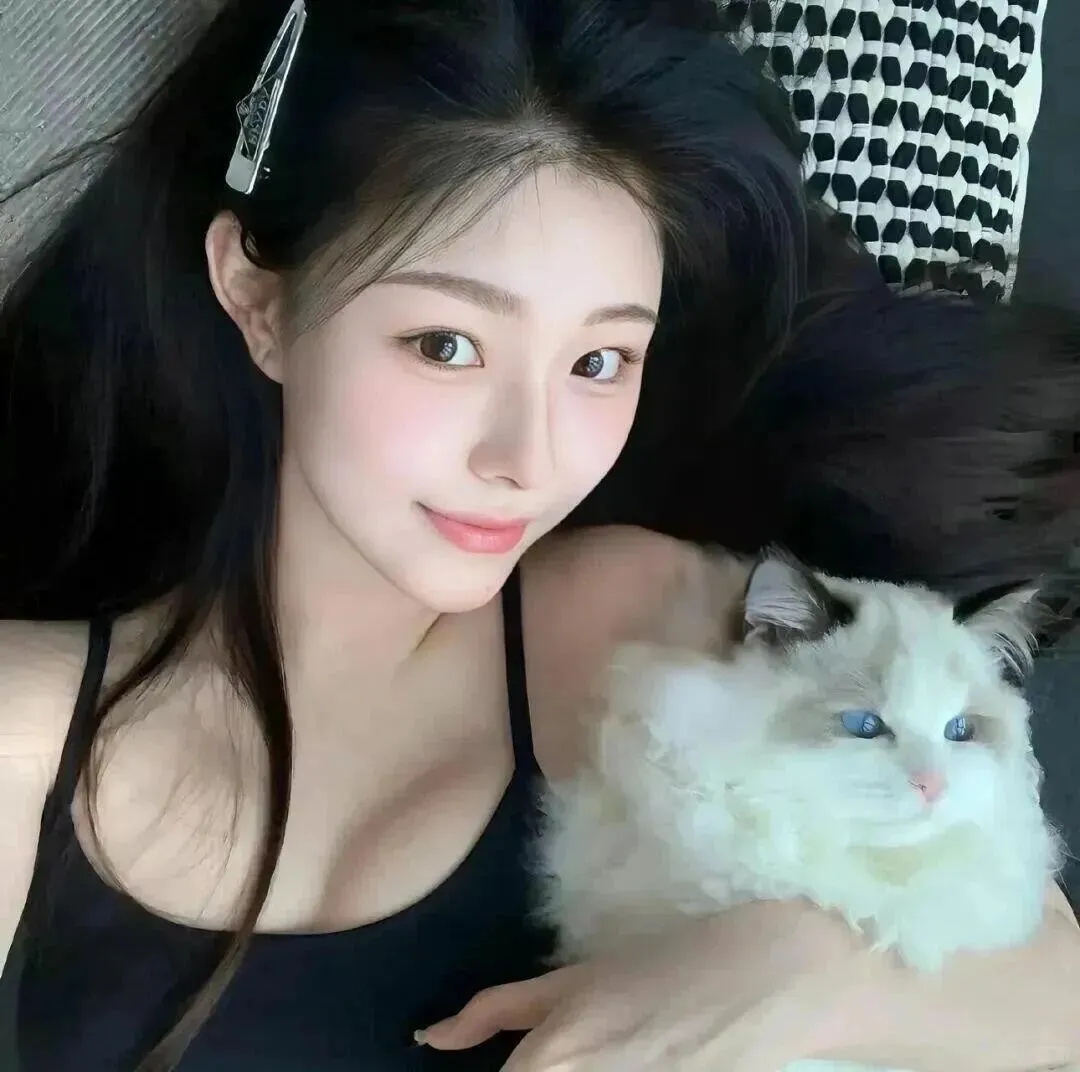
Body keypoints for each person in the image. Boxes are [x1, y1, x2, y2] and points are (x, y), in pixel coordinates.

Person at [0, 1, 1077, 1070]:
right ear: (258, 296)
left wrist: (803, 975)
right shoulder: (25, 729)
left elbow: (1055, 987)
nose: (531, 456)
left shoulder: (611, 622)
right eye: (447, 343)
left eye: (599, 362)